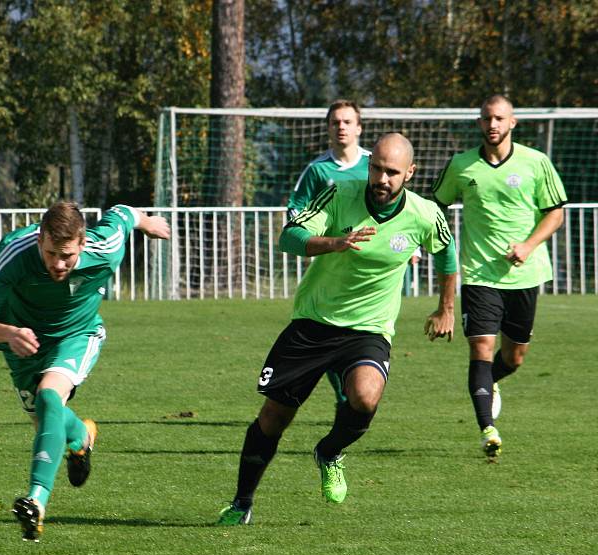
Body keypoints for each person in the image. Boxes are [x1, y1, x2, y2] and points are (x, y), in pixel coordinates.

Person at [217, 133, 458, 525]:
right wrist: (334, 242)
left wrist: (445, 309)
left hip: (368, 330)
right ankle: (242, 502)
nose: (381, 178)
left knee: (364, 398)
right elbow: (289, 237)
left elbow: (447, 254)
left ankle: (329, 452)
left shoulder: (424, 213)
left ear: (409, 173)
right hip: (313, 323)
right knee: (274, 418)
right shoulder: (338, 193)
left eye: (392, 172)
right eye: (376, 168)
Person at [0, 202, 170, 541]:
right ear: (40, 239)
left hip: (78, 335)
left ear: (83, 243)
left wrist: (145, 222)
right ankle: (81, 438)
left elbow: (123, 213)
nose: (58, 264)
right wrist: (9, 333)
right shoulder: (15, 250)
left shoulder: (105, 246)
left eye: (68, 256)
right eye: (50, 253)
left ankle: (36, 501)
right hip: (22, 341)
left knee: (49, 396)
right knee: (46, 416)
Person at [432, 94, 567, 461]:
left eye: (499, 118)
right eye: (487, 118)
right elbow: (434, 207)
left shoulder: (536, 162)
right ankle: (487, 430)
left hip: (525, 275)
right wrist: (419, 241)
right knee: (481, 348)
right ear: (479, 123)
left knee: (516, 356)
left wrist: (528, 244)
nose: (492, 124)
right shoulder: (461, 165)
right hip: (478, 274)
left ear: (512, 123)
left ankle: (490, 382)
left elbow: (555, 213)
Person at [287, 99, 370, 221]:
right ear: (328, 129)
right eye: (335, 123)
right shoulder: (317, 168)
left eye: (347, 122)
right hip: (331, 240)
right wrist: (315, 238)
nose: (341, 127)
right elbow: (295, 210)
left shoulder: (374, 163)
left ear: (359, 128)